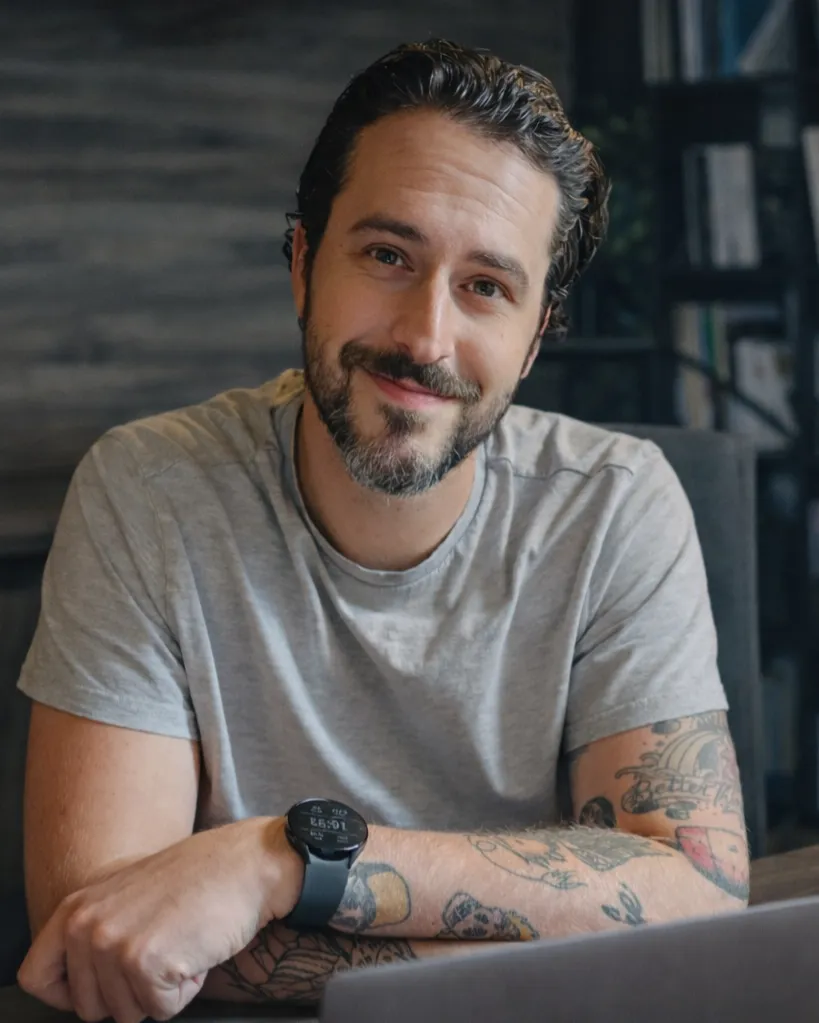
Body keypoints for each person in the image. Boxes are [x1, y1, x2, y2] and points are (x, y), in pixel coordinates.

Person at [16, 38, 748, 1023]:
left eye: (486, 285)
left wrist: (280, 861)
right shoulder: (150, 491)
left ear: (534, 341)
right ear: (304, 265)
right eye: (387, 255)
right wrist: (536, 923)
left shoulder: (619, 503)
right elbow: (101, 933)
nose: (425, 337)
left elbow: (692, 891)